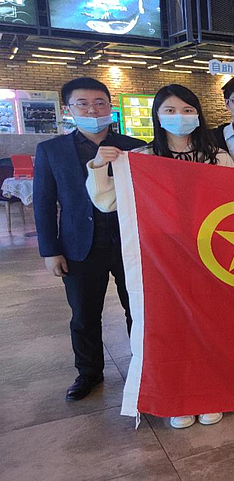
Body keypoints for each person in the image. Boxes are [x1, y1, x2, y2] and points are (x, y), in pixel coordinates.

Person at [85, 84, 233, 430]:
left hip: (209, 255)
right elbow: (107, 201)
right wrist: (99, 167)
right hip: (161, 259)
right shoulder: (142, 157)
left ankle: (208, 392)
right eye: (170, 110)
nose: (179, 116)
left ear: (198, 114)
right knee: (167, 327)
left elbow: (233, 204)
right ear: (157, 116)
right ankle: (176, 396)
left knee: (209, 325)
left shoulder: (219, 157)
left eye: (187, 109)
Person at [33, 77, 146, 401]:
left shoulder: (134, 146)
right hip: (80, 245)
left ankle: (143, 366)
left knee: (138, 309)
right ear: (68, 109)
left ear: (110, 106)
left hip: (130, 243)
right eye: (82, 104)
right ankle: (89, 373)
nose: (92, 110)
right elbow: (43, 202)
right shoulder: (52, 150)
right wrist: (50, 250)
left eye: (99, 103)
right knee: (84, 315)